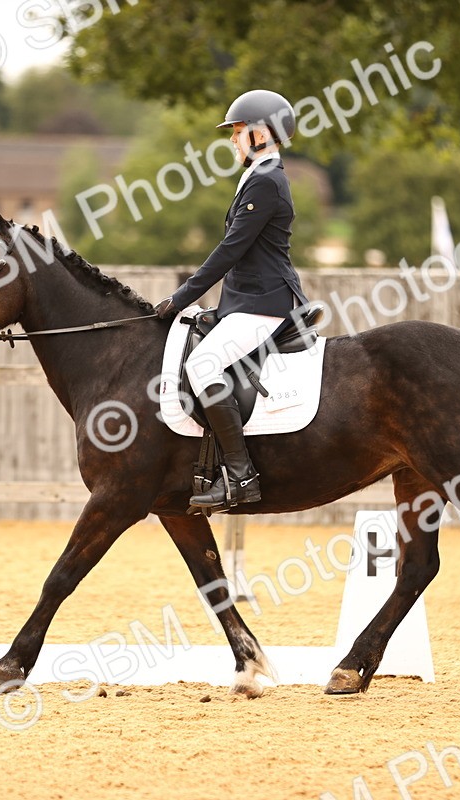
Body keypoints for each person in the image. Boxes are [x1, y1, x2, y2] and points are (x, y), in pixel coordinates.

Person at [153, 90, 309, 510]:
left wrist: (182, 296)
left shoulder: (266, 180)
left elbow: (231, 250)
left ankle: (241, 477)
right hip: (249, 300)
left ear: (261, 134)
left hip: (265, 303)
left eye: (238, 131)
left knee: (202, 365)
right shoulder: (260, 176)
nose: (232, 139)